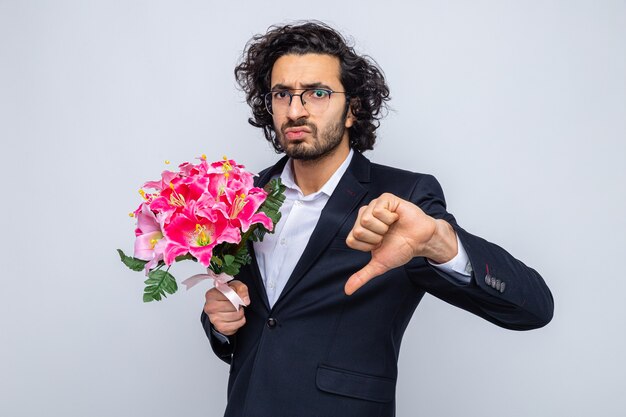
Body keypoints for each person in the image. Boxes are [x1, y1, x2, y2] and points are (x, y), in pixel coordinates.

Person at [201, 21, 553, 417]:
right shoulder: (239, 197)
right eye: (282, 93)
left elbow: (534, 308)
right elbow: (261, 322)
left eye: (317, 93)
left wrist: (440, 244)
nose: (295, 110)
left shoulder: (404, 199)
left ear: (352, 109)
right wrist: (220, 322)